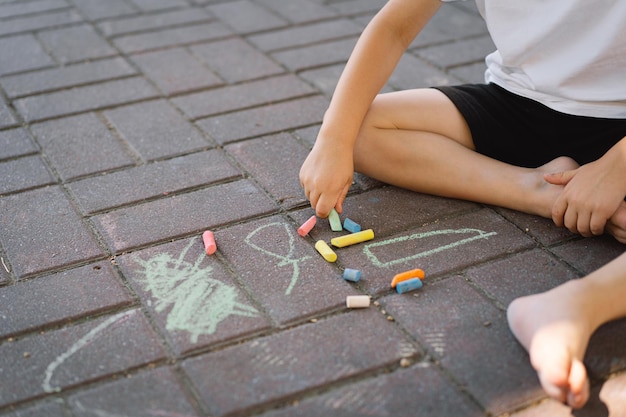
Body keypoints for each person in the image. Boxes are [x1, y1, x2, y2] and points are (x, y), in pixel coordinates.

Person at [298, 0, 626, 409]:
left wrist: (618, 165)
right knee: (359, 129)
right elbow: (394, 27)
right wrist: (333, 138)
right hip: (517, 101)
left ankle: (576, 306)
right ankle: (543, 192)